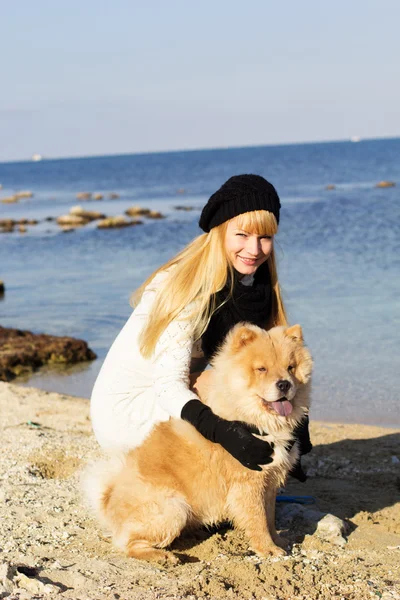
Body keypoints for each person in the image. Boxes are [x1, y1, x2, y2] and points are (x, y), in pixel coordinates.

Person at [90, 174, 311, 478]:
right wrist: (222, 432)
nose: (255, 249)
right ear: (220, 232)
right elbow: (169, 385)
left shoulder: (251, 286)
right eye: (242, 235)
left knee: (237, 378)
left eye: (265, 238)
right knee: (215, 383)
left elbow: (278, 360)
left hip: (165, 401)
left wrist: (297, 422)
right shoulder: (185, 288)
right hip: (129, 416)